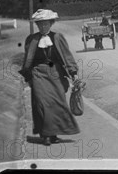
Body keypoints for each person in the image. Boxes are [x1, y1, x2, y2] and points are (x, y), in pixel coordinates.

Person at [19, 9, 80, 146]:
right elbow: (27, 60)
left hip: (56, 74)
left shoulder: (58, 37)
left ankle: (53, 135)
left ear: (51, 23)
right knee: (41, 104)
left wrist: (73, 74)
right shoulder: (31, 39)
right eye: (40, 24)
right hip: (38, 74)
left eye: (45, 24)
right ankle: (45, 135)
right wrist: (28, 77)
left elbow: (67, 56)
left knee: (57, 104)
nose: (42, 27)